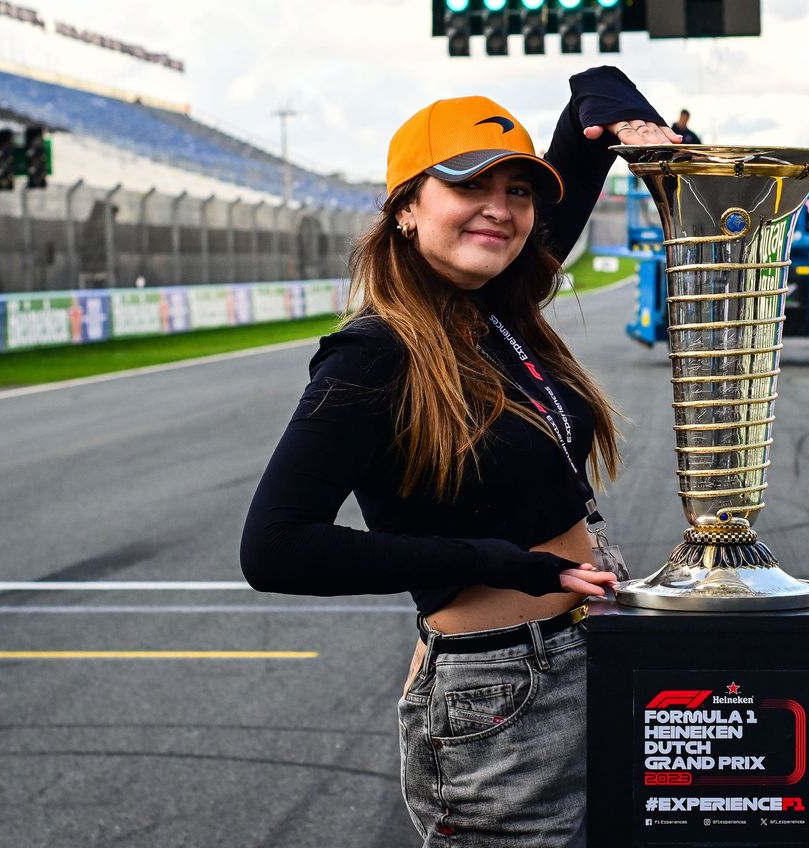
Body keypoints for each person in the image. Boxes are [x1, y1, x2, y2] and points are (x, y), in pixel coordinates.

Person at [240, 66, 680, 847]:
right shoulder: (372, 355)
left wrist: (625, 121)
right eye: (470, 185)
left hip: (588, 644)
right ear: (408, 207)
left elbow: (591, 91)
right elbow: (275, 548)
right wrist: (491, 562)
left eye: (519, 191)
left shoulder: (496, 304)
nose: (502, 211)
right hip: (504, 696)